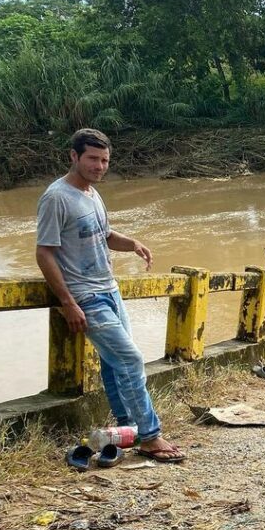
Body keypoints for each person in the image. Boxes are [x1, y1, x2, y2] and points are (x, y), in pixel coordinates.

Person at [35, 129, 185, 463]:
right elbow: (44, 253)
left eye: (104, 160)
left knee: (114, 362)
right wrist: (68, 302)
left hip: (110, 289)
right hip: (85, 296)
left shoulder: (91, 193)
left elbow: (102, 235)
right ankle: (150, 436)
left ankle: (126, 428)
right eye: (92, 159)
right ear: (73, 156)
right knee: (130, 358)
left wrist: (132, 243)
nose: (100, 166)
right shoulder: (56, 197)